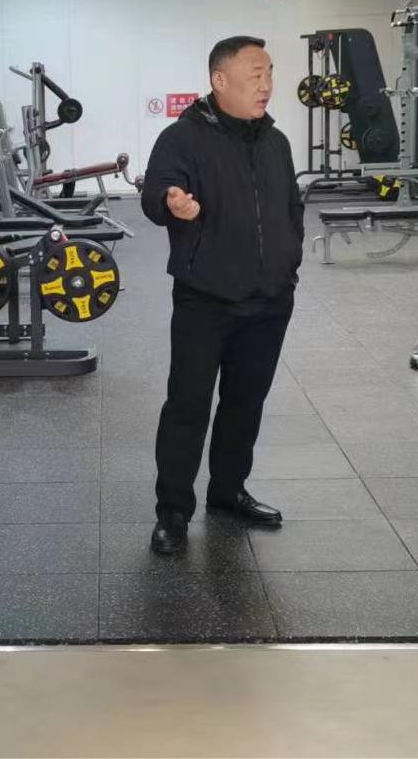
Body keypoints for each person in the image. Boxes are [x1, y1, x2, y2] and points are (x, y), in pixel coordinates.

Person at [141, 36, 304, 555]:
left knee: (245, 403)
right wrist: (172, 202)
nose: (267, 84)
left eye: (270, 73)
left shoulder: (275, 142)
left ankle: (228, 491)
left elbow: (291, 209)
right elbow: (156, 192)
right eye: (256, 74)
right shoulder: (182, 138)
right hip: (206, 299)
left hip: (269, 300)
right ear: (219, 80)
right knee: (188, 406)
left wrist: (289, 264)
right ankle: (173, 512)